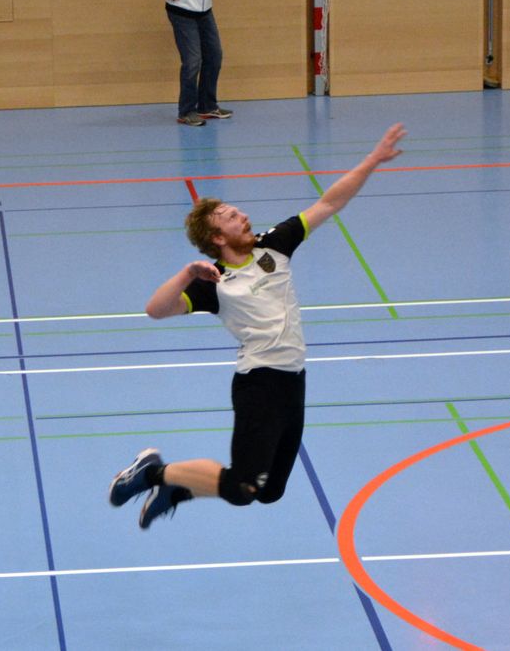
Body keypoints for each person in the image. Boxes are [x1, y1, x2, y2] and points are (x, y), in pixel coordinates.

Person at [108, 123, 407, 529]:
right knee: (241, 487)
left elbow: (329, 204)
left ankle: (177, 488)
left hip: (293, 380)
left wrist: (372, 160)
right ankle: (152, 473)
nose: (243, 215)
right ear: (216, 237)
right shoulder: (214, 282)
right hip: (259, 383)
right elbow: (155, 309)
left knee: (269, 491)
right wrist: (185, 274)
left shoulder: (275, 244)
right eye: (232, 216)